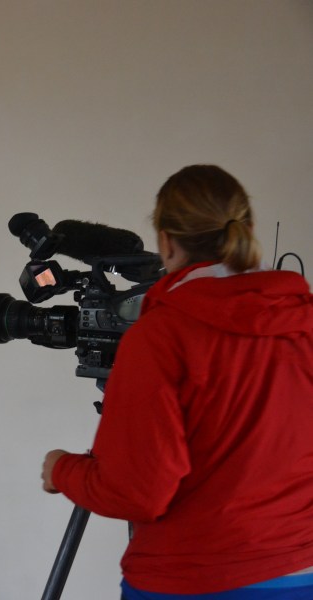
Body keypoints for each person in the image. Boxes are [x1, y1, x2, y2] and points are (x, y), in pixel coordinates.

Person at [41, 165, 313, 598]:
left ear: (166, 241)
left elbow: (137, 492)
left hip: (191, 579)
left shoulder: (161, 336)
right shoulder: (302, 321)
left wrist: (63, 470)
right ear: (248, 228)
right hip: (301, 572)